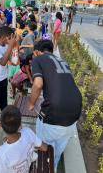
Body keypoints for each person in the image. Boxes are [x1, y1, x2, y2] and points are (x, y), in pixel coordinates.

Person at [28, 40, 82, 171]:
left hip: (55, 111)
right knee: (56, 153)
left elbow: (38, 84)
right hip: (75, 110)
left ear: (36, 52)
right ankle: (54, 167)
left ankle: (42, 166)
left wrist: (31, 103)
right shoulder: (62, 61)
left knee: (43, 149)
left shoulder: (38, 59)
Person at [0, 105, 47, 173]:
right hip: (24, 168)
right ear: (20, 124)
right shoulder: (28, 132)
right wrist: (29, 144)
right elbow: (44, 148)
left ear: (1, 126)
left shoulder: (2, 152)